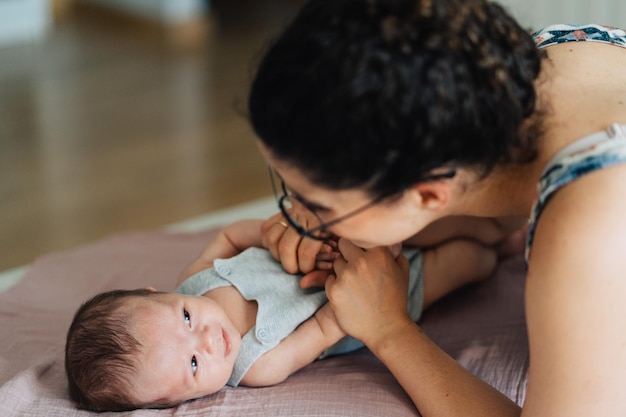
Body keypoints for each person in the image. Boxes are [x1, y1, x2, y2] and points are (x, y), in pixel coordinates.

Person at [245, 0, 626, 416]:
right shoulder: (556, 56)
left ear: (427, 194)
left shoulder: (590, 231)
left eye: (318, 204)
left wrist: (390, 330)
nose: (300, 218)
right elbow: (502, 209)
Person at [65, 218, 498, 411]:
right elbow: (325, 328)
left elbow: (231, 234)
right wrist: (361, 290)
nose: (209, 339)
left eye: (184, 320)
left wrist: (275, 236)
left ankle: (492, 227)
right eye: (194, 364)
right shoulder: (259, 364)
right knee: (463, 263)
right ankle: (494, 254)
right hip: (383, 298)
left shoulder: (195, 278)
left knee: (424, 225)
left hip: (336, 246)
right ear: (178, 403)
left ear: (154, 292)